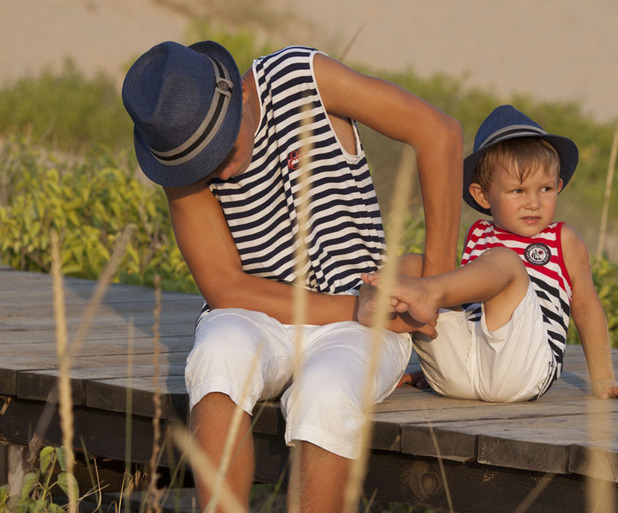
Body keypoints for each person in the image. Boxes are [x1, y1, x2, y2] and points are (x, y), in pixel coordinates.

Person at [121, 41, 462, 513]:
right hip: (261, 313)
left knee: (323, 394)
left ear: (237, 93)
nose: (215, 171)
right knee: (217, 357)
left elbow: (439, 133)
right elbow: (226, 288)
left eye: (221, 150)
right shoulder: (180, 149)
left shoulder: (302, 78)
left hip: (358, 327)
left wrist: (435, 289)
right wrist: (357, 306)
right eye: (201, 166)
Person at [360, 105, 618, 403]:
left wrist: (603, 377)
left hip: (521, 370)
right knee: (419, 263)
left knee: (504, 262)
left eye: (545, 189)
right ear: (483, 196)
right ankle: (373, 299)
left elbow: (586, 305)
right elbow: (468, 309)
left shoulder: (563, 239)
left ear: (559, 186)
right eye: (518, 191)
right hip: (460, 375)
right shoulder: (480, 235)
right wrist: (438, 364)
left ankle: (426, 295)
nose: (533, 203)